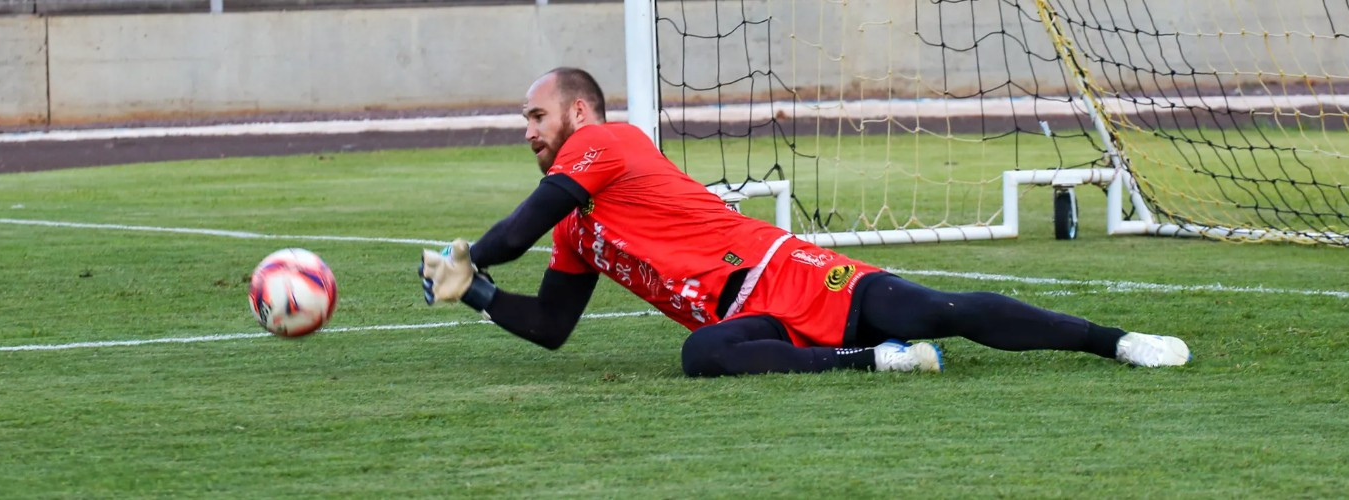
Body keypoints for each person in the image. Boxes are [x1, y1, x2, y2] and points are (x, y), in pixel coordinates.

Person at [419, 67, 1190, 376]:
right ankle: (876, 362)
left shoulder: (602, 143)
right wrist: (479, 294)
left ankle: (1115, 341)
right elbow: (554, 324)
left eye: (536, 114)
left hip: (782, 271)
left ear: (578, 111)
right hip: (744, 315)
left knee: (940, 311)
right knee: (702, 357)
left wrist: (471, 255)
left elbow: (518, 229)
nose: (528, 129)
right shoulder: (578, 231)